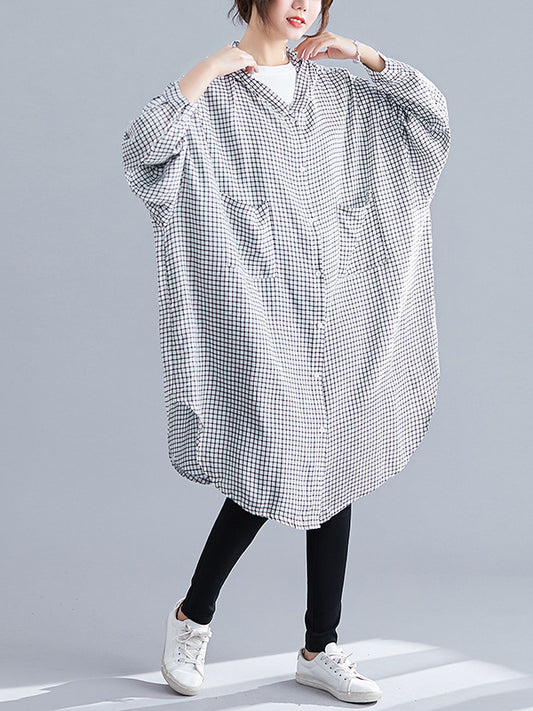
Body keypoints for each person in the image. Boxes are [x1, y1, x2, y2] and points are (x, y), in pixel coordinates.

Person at [121, 0, 450, 703]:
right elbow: (144, 151)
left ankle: (320, 645)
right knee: (269, 464)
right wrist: (204, 70)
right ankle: (192, 616)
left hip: (343, 309)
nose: (302, 4)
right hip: (259, 315)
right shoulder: (214, 98)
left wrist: (366, 56)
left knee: (337, 464)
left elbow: (430, 121)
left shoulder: (337, 90)